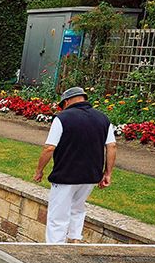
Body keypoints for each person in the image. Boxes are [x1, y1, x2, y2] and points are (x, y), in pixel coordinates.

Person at [34, 86, 116, 244]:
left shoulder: (62, 118)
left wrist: (39, 170)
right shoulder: (103, 118)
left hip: (66, 175)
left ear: (67, 101)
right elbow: (111, 146)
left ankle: (54, 250)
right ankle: (74, 241)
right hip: (91, 176)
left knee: (57, 217)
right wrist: (108, 173)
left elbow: (49, 148)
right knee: (77, 209)